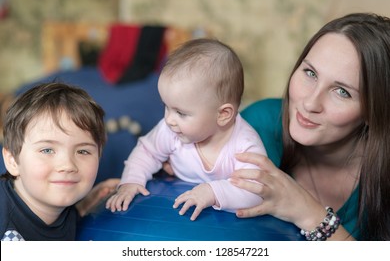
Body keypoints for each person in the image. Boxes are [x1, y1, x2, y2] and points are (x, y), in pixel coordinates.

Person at [229, 12, 390, 241]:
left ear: (374, 112)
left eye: (342, 92)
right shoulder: (258, 124)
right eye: (310, 73)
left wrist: (308, 213)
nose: (310, 103)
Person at [106, 38, 267, 221]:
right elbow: (147, 151)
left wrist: (212, 192)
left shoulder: (245, 145)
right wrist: (131, 181)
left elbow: (255, 190)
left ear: (222, 114)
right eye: (166, 107)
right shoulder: (172, 131)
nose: (168, 119)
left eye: (181, 113)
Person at [0, 82, 118, 241]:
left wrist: (82, 207)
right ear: (13, 161)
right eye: (47, 150)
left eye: (83, 151)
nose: (68, 165)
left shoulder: (50, 204)